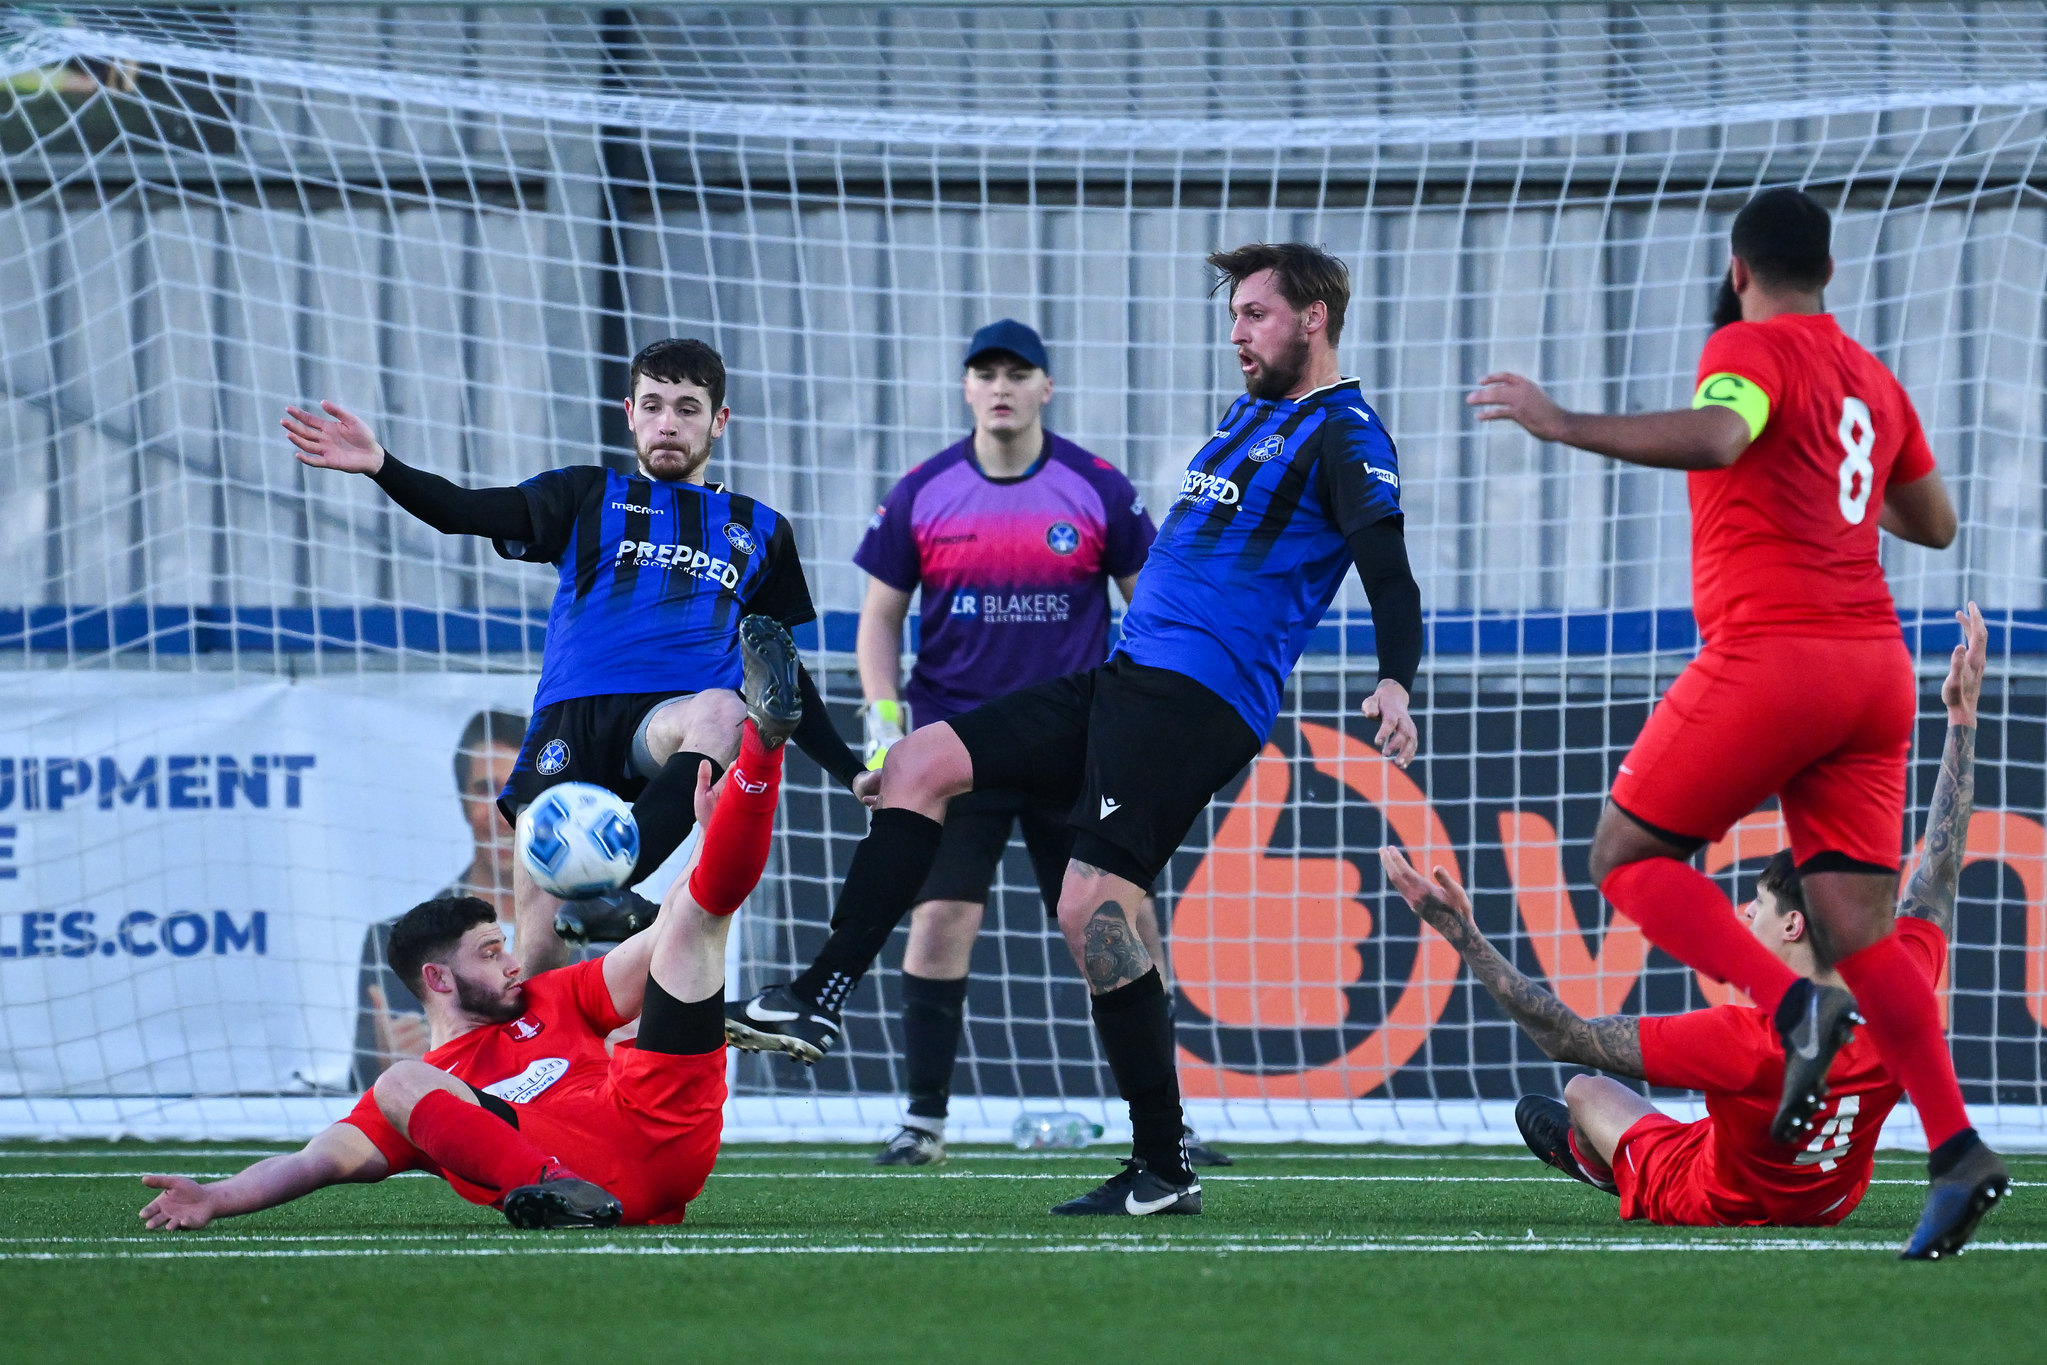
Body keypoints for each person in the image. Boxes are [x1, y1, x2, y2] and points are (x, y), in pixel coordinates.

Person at [729, 243, 1424, 1215]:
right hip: (1124, 679)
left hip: (1196, 700)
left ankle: (1161, 1164)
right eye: (1232, 316)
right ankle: (816, 995)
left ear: (1314, 319)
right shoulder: (1248, 416)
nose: (1236, 334)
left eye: (1255, 315)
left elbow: (1388, 572)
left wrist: (1394, 680)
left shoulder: (1345, 433)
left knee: (1091, 908)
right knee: (917, 763)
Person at [1467, 187, 2006, 1256]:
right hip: (1877, 669)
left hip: (1777, 653)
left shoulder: (1750, 348)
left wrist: (1560, 421)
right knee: (1866, 938)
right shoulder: (1873, 380)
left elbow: (1721, 436)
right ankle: (1956, 1151)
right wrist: (1832, 482)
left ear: (1736, 269)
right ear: (1831, 272)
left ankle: (1794, 1013)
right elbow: (1936, 522)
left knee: (1624, 856)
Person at [138, 618, 801, 1232]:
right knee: (397, 1081)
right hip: (588, 1180)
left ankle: (765, 746)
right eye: (488, 952)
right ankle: (551, 1189)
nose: (511, 962)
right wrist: (218, 1195)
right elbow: (314, 1161)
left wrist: (709, 840)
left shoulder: (551, 996)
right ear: (438, 978)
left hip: (660, 1131)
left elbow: (663, 938)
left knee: (695, 916)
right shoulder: (424, 1093)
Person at [1380, 606, 2006, 1253]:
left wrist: (1462, 934)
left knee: (1584, 1089)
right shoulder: (1902, 977)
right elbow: (1938, 873)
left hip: (1711, 1199)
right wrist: (1961, 718)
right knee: (1718, 1123)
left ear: (1794, 923)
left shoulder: (1741, 1040)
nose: (1744, 913)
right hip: (1831, 1200)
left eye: (1758, 904)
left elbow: (1563, 1035)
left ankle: (1601, 1161)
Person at [284, 339, 866, 980]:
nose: (668, 423)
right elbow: (464, 513)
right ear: (630, 414)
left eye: (687, 408)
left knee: (727, 712)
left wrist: (850, 771)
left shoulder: (761, 529)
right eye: (653, 406)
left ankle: (615, 878)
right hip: (569, 725)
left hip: (668, 721)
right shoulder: (587, 494)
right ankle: (535, 1033)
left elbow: (779, 668)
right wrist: (381, 465)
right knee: (537, 962)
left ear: (718, 421)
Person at [845, 319, 1222, 1168]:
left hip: (1074, 745)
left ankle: (1168, 1122)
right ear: (966, 388)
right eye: (985, 373)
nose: (1001, 387)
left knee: (1120, 921)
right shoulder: (922, 491)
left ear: (1045, 387)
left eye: (1017, 373)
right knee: (939, 918)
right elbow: (879, 617)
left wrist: (1152, 719)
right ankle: (922, 1122)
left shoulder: (1096, 487)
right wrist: (884, 721)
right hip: (959, 745)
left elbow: (1151, 608)